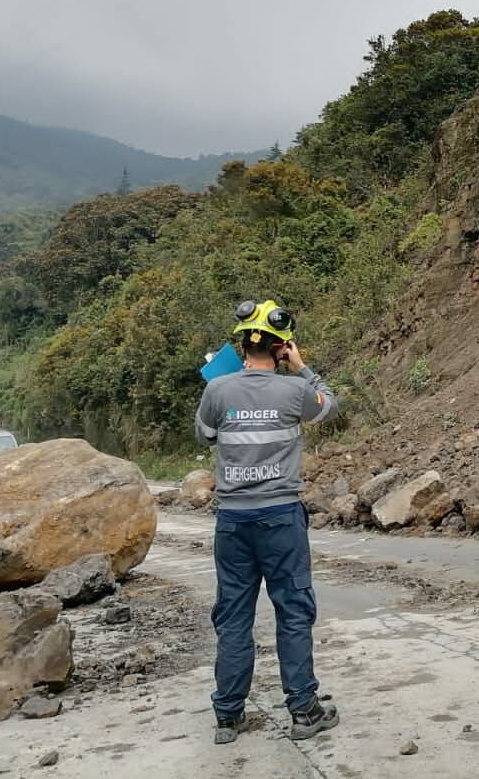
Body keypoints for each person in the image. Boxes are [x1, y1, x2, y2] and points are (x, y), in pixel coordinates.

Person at [195, 298, 339, 745]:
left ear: (241, 345)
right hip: (280, 519)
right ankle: (303, 710)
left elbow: (205, 434)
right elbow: (329, 406)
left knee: (234, 615)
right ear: (281, 348)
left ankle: (228, 715)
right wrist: (303, 368)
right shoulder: (294, 391)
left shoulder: (217, 390)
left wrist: (228, 390)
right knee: (293, 611)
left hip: (233, 522)